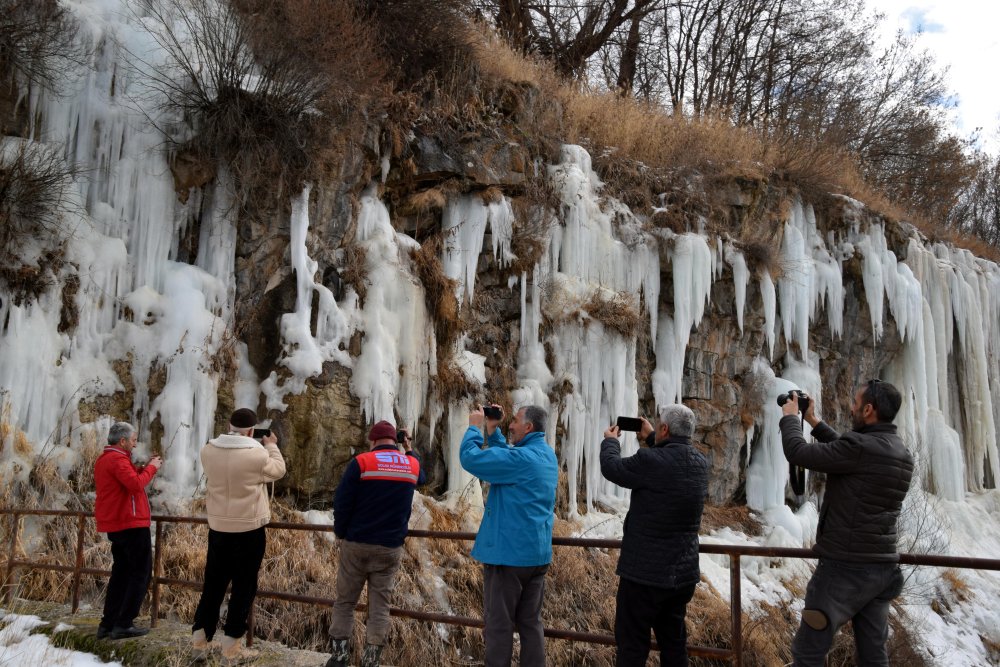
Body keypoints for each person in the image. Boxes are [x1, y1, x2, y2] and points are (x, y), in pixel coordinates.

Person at [780, 379, 914, 667]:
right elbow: (848, 453)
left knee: (809, 652)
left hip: (844, 570)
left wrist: (791, 418)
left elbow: (798, 453)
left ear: (868, 409)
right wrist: (813, 420)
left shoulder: (862, 448)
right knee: (873, 655)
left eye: (855, 403)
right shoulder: (900, 452)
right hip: (881, 570)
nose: (851, 407)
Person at [599, 405, 708, 666]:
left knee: (632, 646)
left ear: (665, 429)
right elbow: (672, 460)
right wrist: (651, 437)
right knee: (673, 644)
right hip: (681, 577)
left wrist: (610, 442)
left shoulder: (649, 461)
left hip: (644, 577)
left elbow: (613, 468)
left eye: (659, 425)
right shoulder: (701, 464)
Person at [459, 404, 559, 667]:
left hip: (508, 558)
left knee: (499, 626)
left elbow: (470, 458)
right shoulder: (547, 455)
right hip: (536, 557)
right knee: (530, 624)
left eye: (514, 421)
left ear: (528, 427)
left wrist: (474, 427)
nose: (510, 425)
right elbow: (510, 460)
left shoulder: (521, 460)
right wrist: (494, 434)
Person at [326, 421, 425, 667]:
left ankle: (339, 657)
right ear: (395, 440)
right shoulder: (411, 465)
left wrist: (341, 532)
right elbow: (422, 478)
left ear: (372, 441)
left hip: (357, 543)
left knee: (346, 601)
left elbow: (342, 501)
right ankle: (371, 660)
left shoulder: (362, 462)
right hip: (390, 547)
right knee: (380, 606)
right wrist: (409, 447)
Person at [191, 408, 286, 663]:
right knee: (243, 587)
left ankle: (199, 641)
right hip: (248, 529)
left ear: (229, 425)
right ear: (253, 431)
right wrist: (271, 447)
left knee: (213, 585)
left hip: (218, 528)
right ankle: (230, 649)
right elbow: (278, 470)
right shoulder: (256, 453)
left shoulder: (208, 450)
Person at [94, 421, 161, 640]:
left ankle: (108, 623)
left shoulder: (106, 459)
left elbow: (125, 482)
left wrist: (142, 468)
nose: (134, 444)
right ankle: (123, 623)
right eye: (132, 440)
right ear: (122, 441)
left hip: (118, 524)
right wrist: (152, 468)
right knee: (140, 573)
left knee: (121, 574)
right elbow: (134, 485)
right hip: (130, 524)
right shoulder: (117, 459)